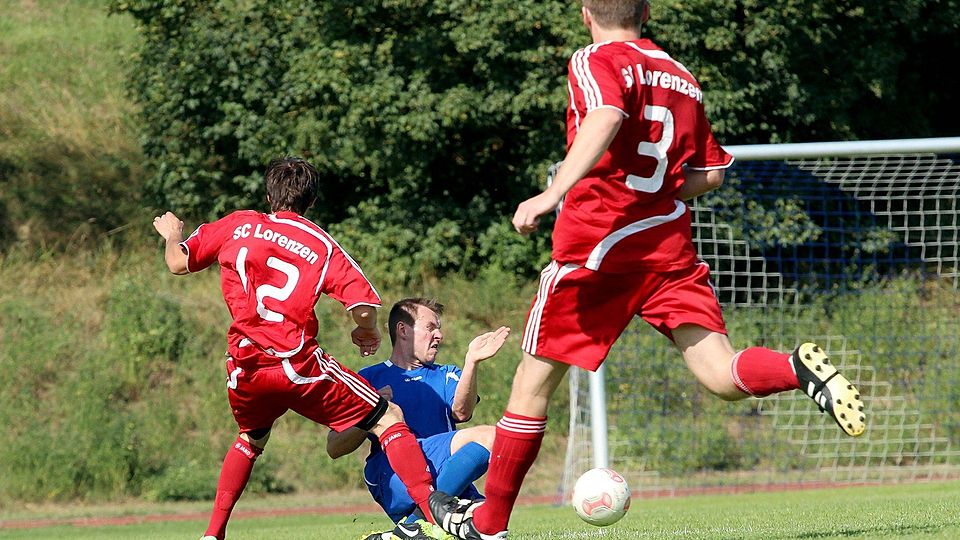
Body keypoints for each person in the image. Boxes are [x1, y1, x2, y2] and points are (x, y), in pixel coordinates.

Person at [430, 2, 867, 538]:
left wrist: (552, 192)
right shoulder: (682, 76)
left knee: (530, 388)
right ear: (647, 11)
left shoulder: (595, 60)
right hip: (667, 250)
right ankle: (794, 368)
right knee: (721, 374)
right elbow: (710, 174)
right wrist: (659, 194)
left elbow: (607, 115)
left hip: (598, 250)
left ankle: (488, 525)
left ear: (587, 13)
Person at [152, 157, 440, 540]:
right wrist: (365, 331)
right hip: (296, 363)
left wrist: (173, 233)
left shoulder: (238, 224)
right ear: (312, 200)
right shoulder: (318, 242)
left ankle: (212, 534)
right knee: (388, 416)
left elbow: (177, 262)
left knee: (251, 439)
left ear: (269, 195)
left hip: (245, 368)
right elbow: (364, 306)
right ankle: (436, 523)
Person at [326, 298, 510, 540]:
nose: (439, 335)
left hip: (444, 478)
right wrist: (372, 411)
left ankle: (405, 530)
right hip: (395, 474)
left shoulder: (448, 375)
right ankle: (419, 522)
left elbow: (462, 412)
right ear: (403, 330)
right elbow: (334, 447)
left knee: (490, 526)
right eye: (430, 327)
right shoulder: (368, 379)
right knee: (492, 436)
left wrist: (472, 361)